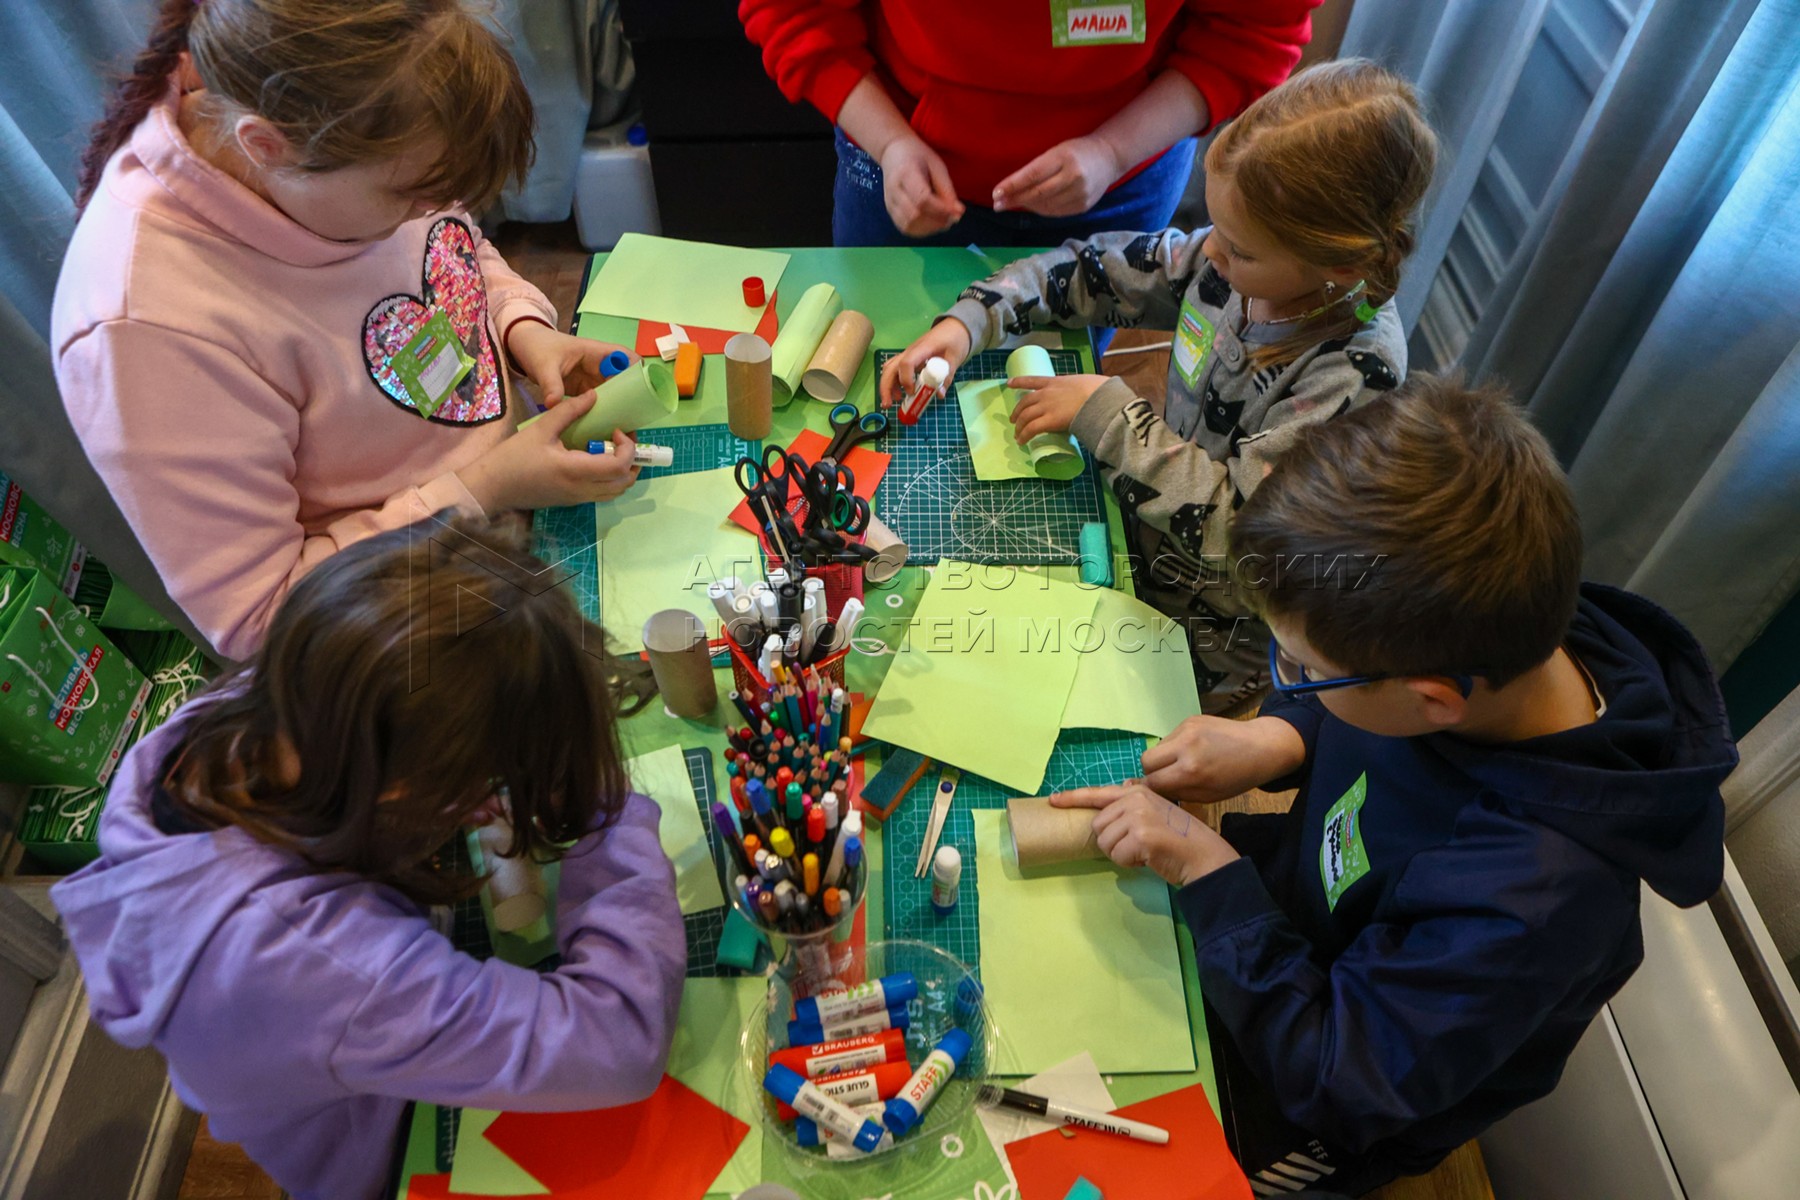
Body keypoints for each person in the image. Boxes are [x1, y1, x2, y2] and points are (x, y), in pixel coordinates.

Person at [1052, 376, 1735, 1195]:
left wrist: (1208, 871)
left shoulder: (1533, 905)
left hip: (1325, 1099)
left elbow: (1339, 1079)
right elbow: (1367, 718)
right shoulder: (1482, 636)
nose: (1289, 680)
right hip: (1293, 938)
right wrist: (1283, 735)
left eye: (1303, 673)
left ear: (1433, 700)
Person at [51, 514, 688, 1200]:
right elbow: (618, 1040)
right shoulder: (322, 963)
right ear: (406, 788)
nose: (488, 803)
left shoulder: (278, 701)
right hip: (401, 1145)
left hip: (348, 1044)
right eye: (482, 787)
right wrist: (606, 812)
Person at [53, 0, 641, 662]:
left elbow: (448, 248)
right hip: (412, 630)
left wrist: (521, 327)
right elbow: (266, 619)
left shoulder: (362, 138)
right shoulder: (144, 329)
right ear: (266, 145)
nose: (431, 207)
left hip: (516, 511)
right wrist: (482, 491)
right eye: (407, 196)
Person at [883, 60, 1438, 710]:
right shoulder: (1232, 262)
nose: (1215, 257)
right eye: (1216, 232)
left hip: (1212, 633)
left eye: (1242, 250)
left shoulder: (1356, 375)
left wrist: (1106, 416)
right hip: (1137, 541)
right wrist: (974, 318)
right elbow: (1094, 271)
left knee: (1146, 753)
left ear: (1337, 263)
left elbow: (1246, 531)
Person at [739, 0, 1320, 246]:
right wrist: (891, 142)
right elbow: (797, 13)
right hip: (894, 157)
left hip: (1123, 178)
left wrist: (1112, 152)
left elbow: (1249, 36)